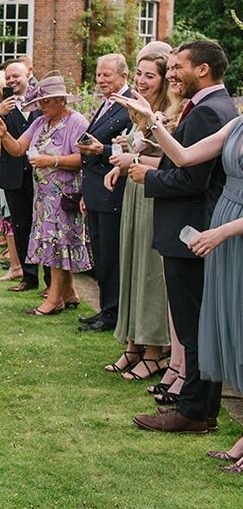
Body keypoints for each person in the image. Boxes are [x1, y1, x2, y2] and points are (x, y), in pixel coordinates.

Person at [114, 68, 243, 466]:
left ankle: (199, 410)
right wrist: (151, 120)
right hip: (219, 230)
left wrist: (221, 232)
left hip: (229, 232)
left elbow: (192, 178)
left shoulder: (218, 112)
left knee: (235, 333)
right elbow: (185, 157)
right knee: (220, 329)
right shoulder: (237, 122)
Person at [0, 72, 91, 316]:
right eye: (40, 102)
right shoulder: (39, 123)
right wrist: (4, 134)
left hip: (65, 195)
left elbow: (85, 157)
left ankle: (54, 299)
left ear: (61, 100)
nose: (41, 106)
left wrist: (52, 160)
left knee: (58, 244)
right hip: (43, 196)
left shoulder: (76, 122)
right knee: (53, 242)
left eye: (46, 102)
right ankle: (69, 293)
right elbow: (17, 150)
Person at [102, 52, 176, 378]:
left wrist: (132, 160)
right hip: (134, 192)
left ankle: (155, 350)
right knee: (130, 265)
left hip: (154, 196)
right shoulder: (138, 111)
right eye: (140, 74)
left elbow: (172, 162)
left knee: (149, 271)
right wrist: (120, 166)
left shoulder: (169, 115)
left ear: (163, 80)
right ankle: (133, 344)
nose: (142, 82)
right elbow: (135, 151)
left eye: (150, 76)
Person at [77, 54, 132, 332]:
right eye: (99, 75)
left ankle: (112, 313)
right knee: (99, 251)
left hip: (113, 191)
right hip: (96, 190)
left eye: (107, 75)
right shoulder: (107, 103)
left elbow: (133, 148)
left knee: (111, 255)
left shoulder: (128, 105)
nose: (101, 80)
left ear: (123, 76)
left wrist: (104, 150)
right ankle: (105, 308)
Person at [0, 60, 43, 292]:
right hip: (13, 172)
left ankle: (51, 280)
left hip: (40, 172)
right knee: (20, 225)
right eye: (8, 78)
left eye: (15, 76)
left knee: (44, 226)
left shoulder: (41, 101)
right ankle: (28, 277)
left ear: (29, 73)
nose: (11, 81)